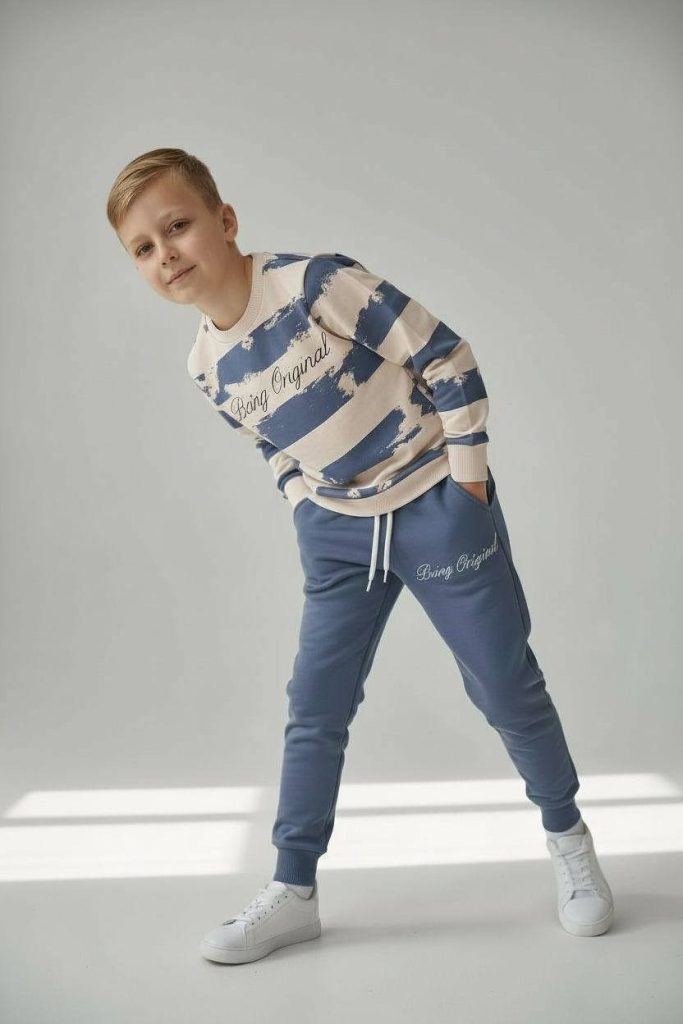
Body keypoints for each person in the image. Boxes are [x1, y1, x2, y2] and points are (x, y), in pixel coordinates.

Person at [107, 147, 614, 965]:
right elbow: (269, 442)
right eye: (143, 247)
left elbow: (444, 355)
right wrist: (302, 504)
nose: (166, 253)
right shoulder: (203, 365)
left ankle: (569, 842)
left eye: (178, 226)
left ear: (224, 221)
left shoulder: (312, 283)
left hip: (436, 506)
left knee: (502, 683)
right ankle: (293, 890)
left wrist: (467, 486)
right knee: (315, 706)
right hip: (338, 535)